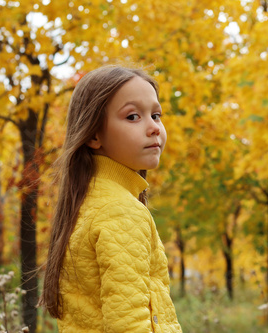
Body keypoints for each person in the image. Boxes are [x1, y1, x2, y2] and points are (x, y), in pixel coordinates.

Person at [38, 66, 182, 332]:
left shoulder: (86, 201)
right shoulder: (121, 211)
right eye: (133, 116)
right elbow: (129, 324)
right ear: (94, 134)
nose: (153, 127)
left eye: (156, 115)